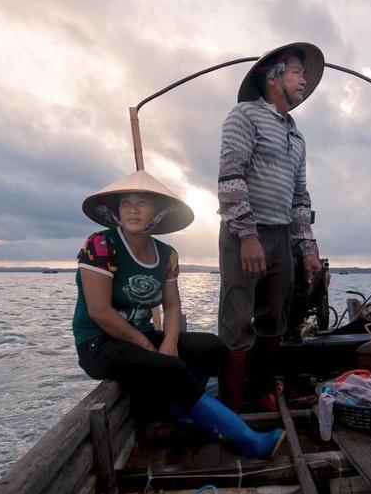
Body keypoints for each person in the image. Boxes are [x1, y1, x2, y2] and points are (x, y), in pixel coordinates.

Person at [73, 169, 283, 458]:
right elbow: (100, 311)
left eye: (142, 203)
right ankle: (246, 440)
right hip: (100, 343)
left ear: (158, 214)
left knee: (212, 348)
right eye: (125, 203)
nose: (132, 209)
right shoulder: (100, 245)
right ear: (117, 211)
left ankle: (177, 408)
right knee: (172, 368)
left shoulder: (166, 254)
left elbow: (171, 305)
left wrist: (169, 342)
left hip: (139, 335)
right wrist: (149, 346)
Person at [216, 42, 325, 412]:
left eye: (305, 74)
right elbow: (230, 179)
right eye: (297, 71)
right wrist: (247, 236)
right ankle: (231, 400)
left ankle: (262, 390)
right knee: (236, 315)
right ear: (273, 75)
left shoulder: (297, 135)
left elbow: (300, 197)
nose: (304, 79)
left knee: (273, 315)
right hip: (244, 231)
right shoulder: (244, 116)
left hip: (281, 235)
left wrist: (308, 249)